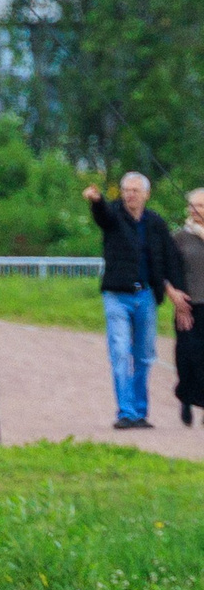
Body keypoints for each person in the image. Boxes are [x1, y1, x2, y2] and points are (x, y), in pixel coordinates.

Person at [86, 173, 184, 430]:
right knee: (120, 352)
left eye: (135, 190)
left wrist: (174, 289)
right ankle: (125, 412)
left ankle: (140, 412)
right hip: (117, 296)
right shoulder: (114, 215)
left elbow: (168, 257)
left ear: (146, 194)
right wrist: (96, 201)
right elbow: (102, 216)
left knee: (144, 356)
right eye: (126, 190)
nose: (130, 194)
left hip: (145, 296)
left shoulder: (155, 223)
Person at [174, 189, 204, 425]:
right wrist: (176, 297)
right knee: (188, 354)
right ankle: (186, 397)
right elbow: (170, 270)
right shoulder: (180, 237)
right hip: (189, 305)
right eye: (192, 206)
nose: (195, 210)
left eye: (201, 206)